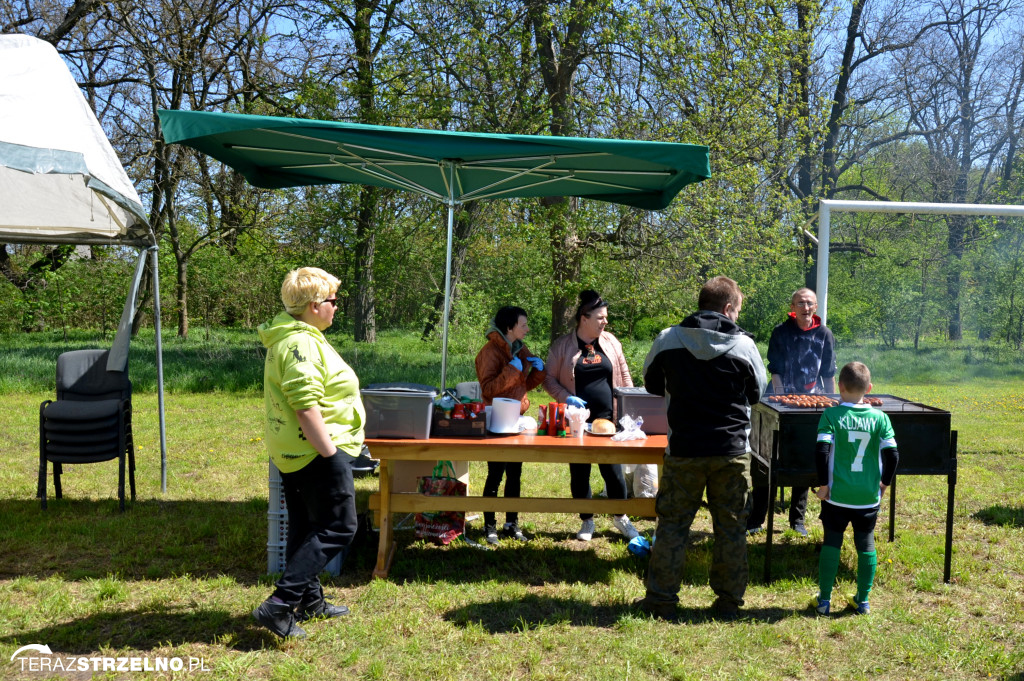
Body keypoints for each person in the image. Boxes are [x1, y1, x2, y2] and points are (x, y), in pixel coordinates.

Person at [634, 276, 767, 620]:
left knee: (673, 526)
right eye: (736, 310)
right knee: (731, 528)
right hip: (731, 452)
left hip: (684, 450)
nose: (736, 317)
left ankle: (661, 600)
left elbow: (651, 383)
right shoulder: (745, 346)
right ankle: (728, 603)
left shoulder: (668, 339)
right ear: (727, 308)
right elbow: (757, 394)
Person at [253, 267, 364, 640]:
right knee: (339, 526)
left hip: (295, 451)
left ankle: (310, 600)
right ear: (315, 305)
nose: (336, 308)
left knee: (305, 527)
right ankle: (280, 604)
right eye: (333, 301)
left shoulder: (292, 336)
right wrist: (331, 454)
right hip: (315, 451)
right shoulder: (300, 344)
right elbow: (304, 405)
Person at [543, 289, 639, 542]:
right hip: (577, 422)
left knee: (613, 472)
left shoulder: (611, 342)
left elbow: (625, 375)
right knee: (580, 472)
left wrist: (629, 410)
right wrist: (566, 398)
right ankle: (587, 521)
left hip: (609, 419)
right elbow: (548, 378)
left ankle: (622, 518)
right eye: (600, 317)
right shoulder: (563, 346)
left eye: (605, 317)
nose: (605, 322)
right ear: (584, 318)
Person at [748, 287, 837, 537]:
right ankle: (756, 518)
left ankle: (797, 520)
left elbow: (828, 372)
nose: (805, 308)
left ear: (816, 307)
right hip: (778, 396)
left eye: (809, 303)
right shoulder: (781, 331)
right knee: (765, 457)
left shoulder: (825, 334)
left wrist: (830, 404)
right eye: (800, 303)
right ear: (793, 307)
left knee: (801, 455)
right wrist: (780, 399)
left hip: (812, 400)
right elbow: (775, 367)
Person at [812, 361, 898, 616]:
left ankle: (824, 600)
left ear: (839, 387)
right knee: (866, 545)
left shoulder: (831, 415)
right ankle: (863, 601)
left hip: (837, 497)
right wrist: (884, 484)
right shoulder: (880, 417)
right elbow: (892, 455)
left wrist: (824, 486)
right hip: (867, 498)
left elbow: (821, 450)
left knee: (831, 543)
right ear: (869, 388)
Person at [475, 305, 547, 544]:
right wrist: (511, 370)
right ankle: (489, 526)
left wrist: (539, 371)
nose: (527, 329)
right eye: (523, 325)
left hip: (516, 418)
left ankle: (511, 523)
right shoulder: (489, 352)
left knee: (515, 472)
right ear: (509, 328)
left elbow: (522, 386)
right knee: (495, 473)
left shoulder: (520, 348)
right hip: (496, 419)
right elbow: (488, 390)